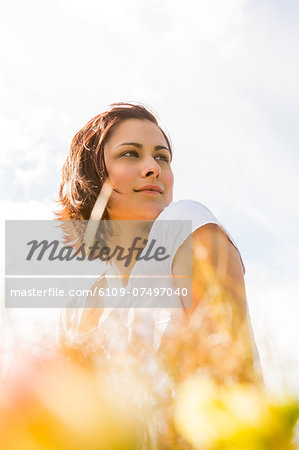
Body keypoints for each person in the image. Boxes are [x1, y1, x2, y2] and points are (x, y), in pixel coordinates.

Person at [57, 102, 260, 380]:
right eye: (130, 154)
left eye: (162, 157)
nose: (153, 168)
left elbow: (232, 380)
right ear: (91, 176)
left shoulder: (188, 225)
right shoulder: (76, 312)